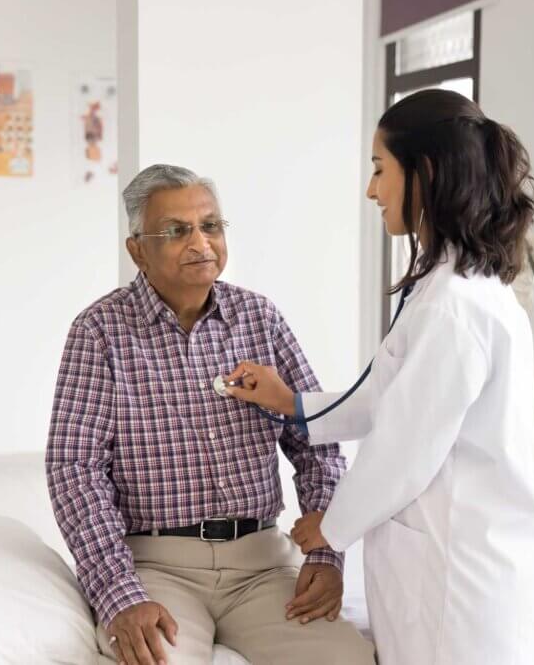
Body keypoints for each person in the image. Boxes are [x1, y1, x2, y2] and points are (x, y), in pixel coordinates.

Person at [224, 89, 534, 665]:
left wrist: (333, 526)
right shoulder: (446, 288)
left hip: (463, 580)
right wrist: (292, 403)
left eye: (380, 170)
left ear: (424, 172)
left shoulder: (456, 305)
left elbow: (406, 446)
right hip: (446, 562)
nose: (371, 190)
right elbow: (386, 396)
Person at [46, 164, 374, 665]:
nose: (200, 242)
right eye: (176, 231)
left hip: (263, 563)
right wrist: (120, 594)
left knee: (347, 659)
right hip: (156, 567)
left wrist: (327, 555)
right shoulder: (99, 332)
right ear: (137, 249)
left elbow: (317, 442)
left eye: (211, 226)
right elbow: (75, 470)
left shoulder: (260, 318)